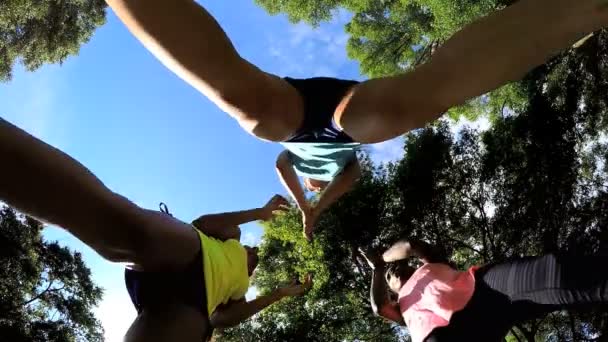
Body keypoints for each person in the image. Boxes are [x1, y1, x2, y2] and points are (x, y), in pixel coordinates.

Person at [104, 0, 608, 239]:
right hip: (349, 120)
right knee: (396, 112)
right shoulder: (341, 169)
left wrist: (304, 202)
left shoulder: (296, 163)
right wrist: (318, 207)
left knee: (255, 117)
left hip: (299, 117)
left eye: (310, 182)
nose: (312, 182)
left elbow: (282, 166)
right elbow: (352, 175)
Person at [0, 118, 312, 342]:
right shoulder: (235, 238)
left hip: (192, 304)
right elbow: (205, 224)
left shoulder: (240, 291)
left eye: (256, 258)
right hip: (190, 249)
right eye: (254, 251)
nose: (255, 253)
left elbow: (224, 319)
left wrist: (279, 294)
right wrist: (259, 212)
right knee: (117, 223)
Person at [359, 239, 608, 342]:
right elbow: (378, 306)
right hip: (447, 337)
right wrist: (378, 269)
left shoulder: (432, 264)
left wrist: (384, 257)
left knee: (557, 273)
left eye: (396, 268)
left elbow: (411, 244)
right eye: (389, 277)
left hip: (486, 289)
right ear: (391, 291)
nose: (393, 273)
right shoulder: (403, 308)